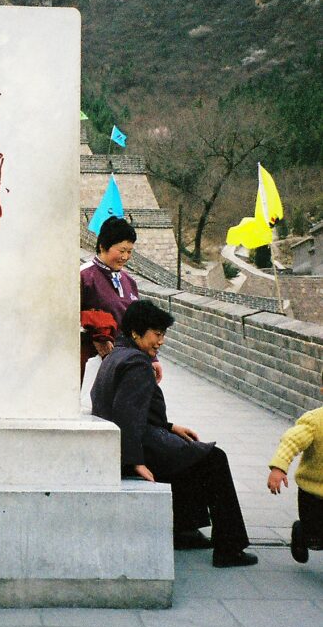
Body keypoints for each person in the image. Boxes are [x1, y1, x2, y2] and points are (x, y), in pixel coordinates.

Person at [91, 299, 258, 568]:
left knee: (190, 452)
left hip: (130, 440)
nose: (161, 341)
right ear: (136, 332)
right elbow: (127, 414)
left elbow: (128, 409)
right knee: (214, 459)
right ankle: (229, 547)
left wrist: (170, 428)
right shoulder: (136, 363)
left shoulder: (116, 355)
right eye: (157, 334)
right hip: (138, 445)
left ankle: (184, 530)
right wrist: (135, 461)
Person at [267, 376, 323, 563]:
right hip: (312, 494)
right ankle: (301, 533)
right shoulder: (315, 421)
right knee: (315, 536)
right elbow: (291, 441)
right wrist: (279, 467)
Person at [80, 217, 141, 385]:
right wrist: (96, 335)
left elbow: (139, 325)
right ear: (103, 246)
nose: (125, 256)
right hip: (93, 363)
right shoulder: (84, 277)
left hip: (128, 362)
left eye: (129, 251)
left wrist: (152, 358)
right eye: (121, 250)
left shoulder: (129, 281)